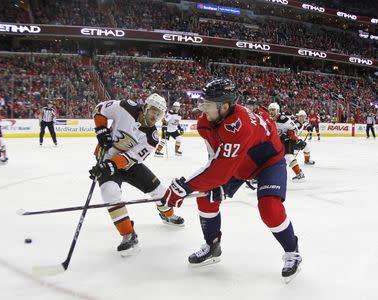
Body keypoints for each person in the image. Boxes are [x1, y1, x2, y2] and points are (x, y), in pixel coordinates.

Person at [160, 78, 302, 282]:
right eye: (203, 102)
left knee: (270, 208)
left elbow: (219, 172)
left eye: (207, 105)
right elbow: (214, 160)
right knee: (207, 196)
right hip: (239, 161)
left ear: (224, 106)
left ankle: (292, 252)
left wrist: (184, 186)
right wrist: (200, 186)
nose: (202, 109)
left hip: (268, 162)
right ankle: (212, 246)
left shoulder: (239, 125)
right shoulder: (206, 122)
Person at [89, 94, 185, 256]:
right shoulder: (126, 107)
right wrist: (101, 130)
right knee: (109, 192)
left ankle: (168, 214)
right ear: (145, 107)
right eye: (153, 111)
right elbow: (99, 109)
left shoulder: (152, 137)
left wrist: (109, 166)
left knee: (160, 192)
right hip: (106, 158)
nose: (155, 116)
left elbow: (130, 158)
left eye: (159, 114)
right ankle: (128, 234)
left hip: (128, 165)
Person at [268, 103, 306, 182]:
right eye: (270, 110)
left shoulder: (283, 119)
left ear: (278, 110)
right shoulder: (268, 119)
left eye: (273, 110)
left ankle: (300, 174)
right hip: (279, 140)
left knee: (288, 156)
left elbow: (295, 129)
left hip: (288, 140)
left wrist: (290, 136)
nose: (271, 112)